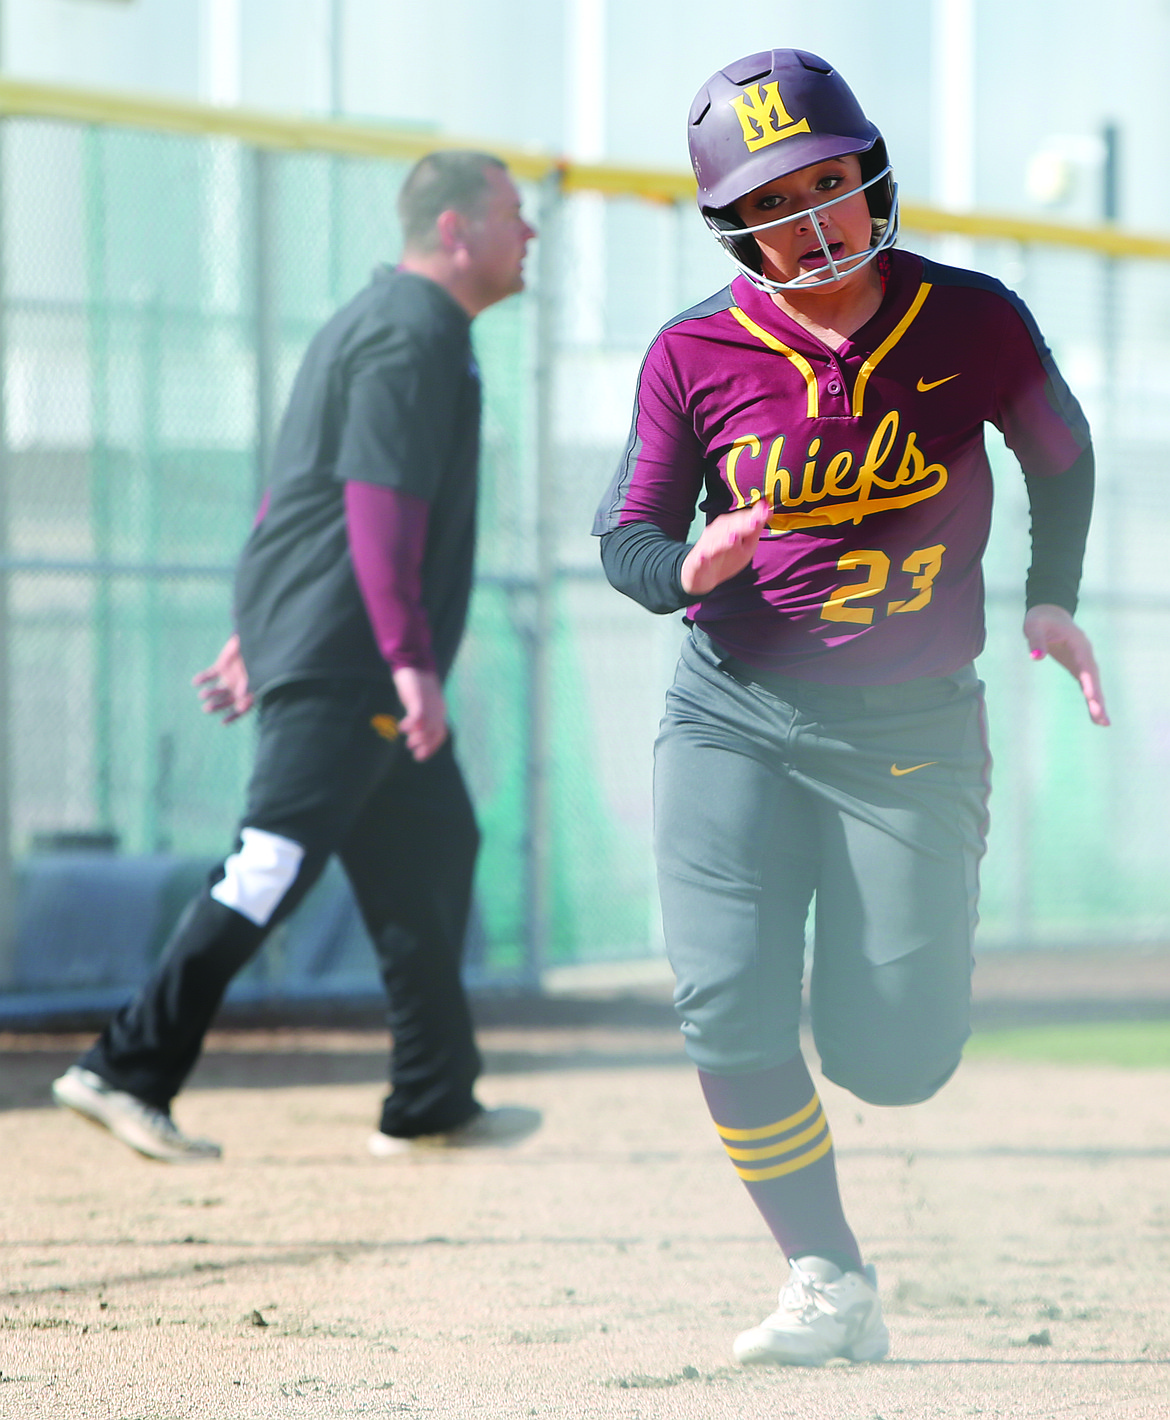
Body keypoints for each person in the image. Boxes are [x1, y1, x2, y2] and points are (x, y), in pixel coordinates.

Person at [594, 49, 1108, 1367]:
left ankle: (873, 976)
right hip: (734, 710)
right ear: (732, 225)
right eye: (772, 203)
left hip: (910, 732)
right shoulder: (693, 352)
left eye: (827, 184)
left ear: (868, 176)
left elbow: (1060, 451)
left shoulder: (969, 318)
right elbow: (630, 532)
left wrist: (1050, 597)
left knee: (893, 1059)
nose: (811, 222)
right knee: (725, 1004)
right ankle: (825, 1274)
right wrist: (682, 569)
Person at [52, 150, 542, 1164]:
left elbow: (292, 496)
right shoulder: (411, 332)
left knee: (434, 842)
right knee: (271, 861)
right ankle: (124, 1065)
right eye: (512, 215)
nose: (529, 233)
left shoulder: (385, 322)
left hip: (330, 640)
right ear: (454, 232)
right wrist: (409, 663)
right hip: (358, 657)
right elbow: (372, 503)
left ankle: (432, 1096)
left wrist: (256, 629)